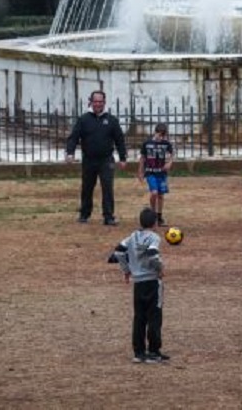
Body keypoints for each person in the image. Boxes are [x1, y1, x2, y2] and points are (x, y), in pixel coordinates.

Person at [112, 207, 168, 364]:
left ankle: (139, 352)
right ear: (155, 223)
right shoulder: (154, 237)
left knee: (139, 317)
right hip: (152, 282)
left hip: (138, 283)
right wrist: (160, 269)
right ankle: (154, 352)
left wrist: (127, 270)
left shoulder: (132, 236)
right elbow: (152, 254)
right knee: (154, 316)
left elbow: (118, 251)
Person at [66, 90, 127, 225]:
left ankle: (108, 216)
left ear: (104, 103)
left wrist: (123, 158)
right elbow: (74, 137)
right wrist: (70, 153)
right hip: (88, 159)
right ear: (91, 102)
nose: (98, 104)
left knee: (107, 188)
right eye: (95, 101)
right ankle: (84, 214)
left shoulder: (112, 120)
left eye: (100, 101)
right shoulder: (83, 119)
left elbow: (120, 140)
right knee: (87, 187)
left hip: (106, 160)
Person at [137, 122, 174, 227]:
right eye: (160, 134)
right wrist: (140, 171)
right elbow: (142, 158)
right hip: (150, 172)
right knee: (154, 192)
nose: (161, 137)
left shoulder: (166, 144)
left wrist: (169, 163)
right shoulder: (147, 143)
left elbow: (171, 155)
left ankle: (159, 216)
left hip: (162, 173)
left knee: (161, 195)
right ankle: (152, 214)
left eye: (163, 135)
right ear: (155, 132)